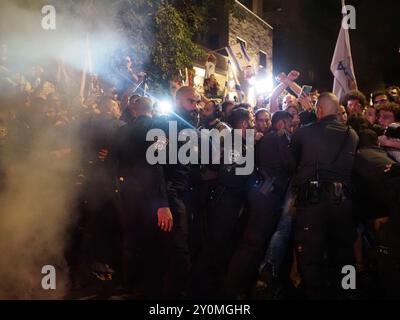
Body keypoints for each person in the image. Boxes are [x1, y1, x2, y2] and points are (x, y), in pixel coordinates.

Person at [291, 92, 359, 299]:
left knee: (311, 257)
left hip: (313, 202)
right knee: (346, 253)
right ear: (338, 110)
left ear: (318, 110)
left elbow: (292, 161)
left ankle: (316, 294)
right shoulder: (352, 134)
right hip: (343, 202)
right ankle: (348, 292)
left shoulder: (304, 133)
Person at [222, 111, 295, 298]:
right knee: (252, 244)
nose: (291, 129)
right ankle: (232, 289)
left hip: (261, 193)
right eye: (290, 125)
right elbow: (290, 165)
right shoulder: (277, 138)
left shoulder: (266, 138)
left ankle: (238, 286)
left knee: (253, 244)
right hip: (266, 196)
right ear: (281, 124)